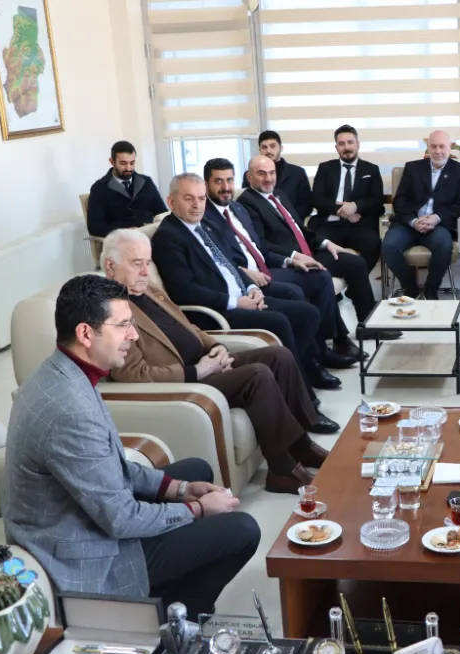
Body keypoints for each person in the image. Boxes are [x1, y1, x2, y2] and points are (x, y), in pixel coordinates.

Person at [4, 274, 260, 620]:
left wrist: (179, 489)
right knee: (241, 530)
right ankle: (169, 622)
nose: (134, 335)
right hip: (84, 555)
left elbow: (111, 465)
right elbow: (121, 519)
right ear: (85, 333)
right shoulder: (70, 409)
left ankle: (170, 590)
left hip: (84, 516)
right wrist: (197, 509)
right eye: (123, 325)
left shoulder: (63, 371)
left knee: (195, 471)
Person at [103, 229, 337, 492]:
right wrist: (196, 371)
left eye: (148, 263)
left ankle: (301, 445)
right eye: (137, 263)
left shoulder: (148, 290)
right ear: (110, 266)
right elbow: (133, 373)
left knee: (279, 355)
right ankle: (281, 470)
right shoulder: (109, 310)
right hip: (186, 382)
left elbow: (188, 326)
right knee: (258, 375)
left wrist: (216, 347)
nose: (146, 271)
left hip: (206, 362)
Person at [150, 173, 342, 391]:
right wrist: (236, 302)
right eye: (188, 198)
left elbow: (231, 264)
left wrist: (251, 288)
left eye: (201, 198)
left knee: (308, 314)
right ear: (171, 202)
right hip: (216, 311)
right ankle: (302, 391)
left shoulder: (206, 226)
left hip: (243, 296)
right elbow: (184, 290)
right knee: (280, 321)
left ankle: (298, 371)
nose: (197, 205)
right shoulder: (168, 236)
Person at [202, 157, 362, 366]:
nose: (226, 187)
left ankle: (325, 348)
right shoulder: (208, 217)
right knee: (297, 291)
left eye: (229, 180)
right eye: (218, 181)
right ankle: (313, 357)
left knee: (324, 276)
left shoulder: (237, 209)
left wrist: (290, 260)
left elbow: (259, 246)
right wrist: (246, 272)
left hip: (271, 263)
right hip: (252, 277)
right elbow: (221, 258)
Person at [238, 157, 393, 339]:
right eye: (262, 174)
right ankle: (337, 338)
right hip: (288, 260)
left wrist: (327, 243)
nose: (268, 178)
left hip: (309, 251)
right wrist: (295, 256)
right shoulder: (246, 203)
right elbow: (260, 244)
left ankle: (367, 326)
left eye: (272, 173)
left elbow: (300, 228)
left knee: (356, 263)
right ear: (249, 177)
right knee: (322, 276)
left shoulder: (278, 195)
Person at [383, 130, 460, 300]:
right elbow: (399, 201)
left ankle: (431, 289)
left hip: (438, 225)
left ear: (450, 147)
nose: (438, 151)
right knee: (389, 246)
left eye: (442, 146)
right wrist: (413, 221)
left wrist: (436, 218)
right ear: (428, 148)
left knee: (444, 245)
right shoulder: (412, 168)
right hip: (408, 224)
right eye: (433, 146)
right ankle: (411, 289)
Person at [310, 125, 385, 272]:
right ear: (336, 147)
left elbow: (377, 201)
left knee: (373, 245)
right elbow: (317, 199)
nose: (347, 147)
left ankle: (357, 280)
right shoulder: (325, 168)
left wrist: (355, 206)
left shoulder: (371, 169)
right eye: (342, 144)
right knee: (315, 246)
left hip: (359, 224)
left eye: (350, 142)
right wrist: (342, 210)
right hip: (330, 223)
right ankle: (330, 282)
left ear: (358, 144)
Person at [87, 141, 167, 237]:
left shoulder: (146, 182)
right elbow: (95, 227)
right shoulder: (99, 188)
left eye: (132, 163)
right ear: (112, 162)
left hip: (150, 234)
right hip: (122, 238)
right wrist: (124, 231)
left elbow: (162, 212)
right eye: (123, 163)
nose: (128, 168)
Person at [241, 130, 313, 219]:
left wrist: (289, 219)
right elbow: (246, 203)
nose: (268, 151)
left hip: (291, 222)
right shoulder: (250, 175)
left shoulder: (298, 173)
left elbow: (306, 205)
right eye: (264, 147)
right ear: (260, 150)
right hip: (261, 223)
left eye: (273, 146)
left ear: (281, 148)